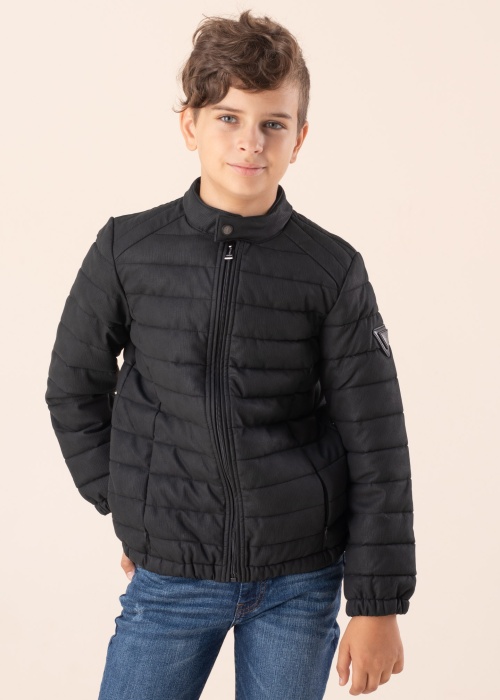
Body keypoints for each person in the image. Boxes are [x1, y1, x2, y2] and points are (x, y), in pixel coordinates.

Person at [44, 8, 416, 699]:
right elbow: (73, 389)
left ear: (300, 137)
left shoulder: (331, 268)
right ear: (190, 124)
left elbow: (376, 437)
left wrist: (377, 604)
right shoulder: (127, 249)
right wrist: (132, 503)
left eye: (273, 123)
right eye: (227, 118)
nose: (251, 141)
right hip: (171, 580)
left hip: (299, 581)